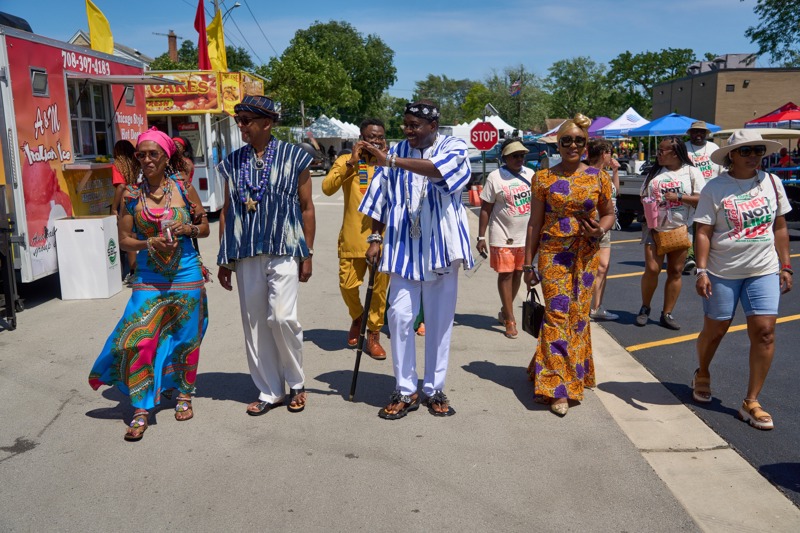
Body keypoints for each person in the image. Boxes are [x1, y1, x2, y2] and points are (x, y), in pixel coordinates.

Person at [89, 127, 210, 441]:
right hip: (148, 277)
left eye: (153, 153)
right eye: (140, 155)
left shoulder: (183, 187)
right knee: (139, 340)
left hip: (186, 274)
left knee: (186, 338)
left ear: (166, 156)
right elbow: (124, 240)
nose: (146, 160)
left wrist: (187, 229)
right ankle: (141, 408)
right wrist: (149, 243)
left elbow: (204, 226)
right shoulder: (131, 195)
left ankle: (184, 393)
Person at [359, 100, 473, 420]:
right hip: (402, 248)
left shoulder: (453, 146)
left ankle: (434, 389)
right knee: (399, 317)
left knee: (439, 322)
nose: (407, 130)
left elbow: (440, 171)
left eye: (414, 125)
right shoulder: (396, 151)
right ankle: (405, 388)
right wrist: (375, 238)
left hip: (441, 249)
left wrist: (391, 160)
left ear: (432, 126)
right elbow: (380, 199)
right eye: (405, 124)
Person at [216, 95, 316, 416]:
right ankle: (270, 390)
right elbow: (227, 210)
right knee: (255, 323)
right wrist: (224, 258)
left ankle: (296, 382)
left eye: (246, 121)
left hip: (284, 247)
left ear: (267, 123)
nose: (241, 126)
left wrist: (308, 252)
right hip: (245, 251)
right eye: (238, 121)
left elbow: (307, 207)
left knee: (282, 317)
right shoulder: (233, 161)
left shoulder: (295, 157)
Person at [692, 130, 793, 431]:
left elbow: (780, 227)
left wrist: (786, 266)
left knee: (765, 333)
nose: (753, 156)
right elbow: (703, 231)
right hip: (723, 271)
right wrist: (701, 270)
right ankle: (702, 372)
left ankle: (751, 401)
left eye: (758, 150)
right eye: (746, 151)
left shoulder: (772, 183)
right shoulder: (715, 188)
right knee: (716, 330)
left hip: (763, 268)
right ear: (731, 156)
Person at [523, 114, 615, 417]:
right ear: (558, 144)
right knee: (557, 314)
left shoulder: (599, 177)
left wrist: (600, 230)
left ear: (585, 144)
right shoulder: (543, 178)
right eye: (566, 140)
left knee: (577, 316)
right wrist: (527, 264)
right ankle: (557, 387)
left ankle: (558, 369)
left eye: (578, 140)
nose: (572, 145)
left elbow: (609, 214)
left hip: (586, 254)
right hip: (553, 253)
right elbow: (534, 223)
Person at [322, 118, 389, 359]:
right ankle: (358, 317)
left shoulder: (390, 163)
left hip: (383, 239)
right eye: (371, 137)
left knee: (379, 292)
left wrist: (386, 161)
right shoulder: (346, 161)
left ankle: (373, 334)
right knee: (347, 285)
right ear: (361, 138)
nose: (376, 141)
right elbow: (327, 188)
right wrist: (351, 162)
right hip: (352, 239)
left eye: (380, 137)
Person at [636, 138, 704, 330]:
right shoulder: (654, 172)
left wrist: (679, 197)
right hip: (654, 228)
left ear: (675, 153)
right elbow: (643, 195)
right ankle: (645, 308)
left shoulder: (691, 172)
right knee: (652, 269)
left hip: (680, 229)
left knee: (675, 271)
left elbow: (701, 199)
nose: (658, 154)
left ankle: (667, 313)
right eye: (658, 150)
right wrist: (650, 202)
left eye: (662, 151)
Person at [477, 138, 534, 338]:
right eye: (514, 156)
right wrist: (481, 236)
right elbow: (486, 209)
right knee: (506, 275)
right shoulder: (495, 177)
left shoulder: (531, 174)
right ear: (505, 157)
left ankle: (505, 309)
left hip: (525, 236)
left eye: (522, 155)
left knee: (518, 273)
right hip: (502, 235)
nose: (519, 159)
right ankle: (510, 319)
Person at [586, 140, 620, 321]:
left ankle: (597, 307)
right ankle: (583, 305)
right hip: (591, 224)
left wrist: (615, 171)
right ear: (603, 153)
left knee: (603, 267)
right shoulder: (587, 173)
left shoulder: (605, 174)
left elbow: (616, 192)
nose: (611, 157)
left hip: (605, 225)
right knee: (586, 267)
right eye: (610, 153)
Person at [683, 121, 722, 272]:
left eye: (701, 132)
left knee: (709, 227)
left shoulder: (714, 148)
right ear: (690, 133)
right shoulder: (684, 148)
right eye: (695, 132)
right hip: (691, 194)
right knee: (689, 225)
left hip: (712, 193)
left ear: (706, 134)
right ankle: (689, 257)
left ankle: (708, 258)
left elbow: (722, 170)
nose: (698, 135)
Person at [111, 139, 139, 286]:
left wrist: (114, 208)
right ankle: (137, 271)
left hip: (126, 203)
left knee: (127, 238)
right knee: (135, 235)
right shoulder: (135, 163)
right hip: (137, 199)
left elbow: (121, 186)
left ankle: (133, 272)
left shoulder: (117, 165)